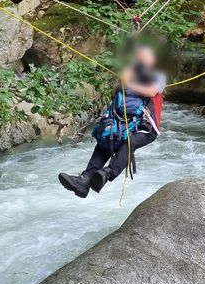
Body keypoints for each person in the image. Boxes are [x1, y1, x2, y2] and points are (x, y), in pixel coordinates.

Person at [58, 45, 165, 198]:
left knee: (130, 141)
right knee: (105, 140)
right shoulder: (131, 74)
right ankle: (84, 181)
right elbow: (115, 92)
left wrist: (129, 82)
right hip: (122, 122)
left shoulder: (158, 75)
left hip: (146, 127)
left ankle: (107, 173)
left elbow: (151, 91)